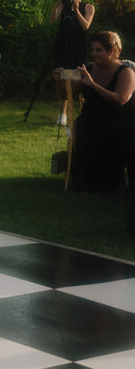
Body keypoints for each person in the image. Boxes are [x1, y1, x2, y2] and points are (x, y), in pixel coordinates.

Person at [72, 31, 135, 232]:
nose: (94, 54)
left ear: (113, 51)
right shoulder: (89, 69)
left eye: (99, 50)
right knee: (84, 129)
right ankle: (85, 184)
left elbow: (120, 99)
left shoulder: (126, 72)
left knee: (110, 134)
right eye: (92, 50)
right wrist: (59, 79)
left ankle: (106, 185)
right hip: (91, 118)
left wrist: (92, 84)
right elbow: (68, 95)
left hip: (117, 119)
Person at [50, 0, 94, 126]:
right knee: (63, 78)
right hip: (64, 46)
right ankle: (63, 114)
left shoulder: (88, 7)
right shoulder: (65, 6)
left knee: (79, 77)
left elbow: (86, 26)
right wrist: (57, 4)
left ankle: (83, 111)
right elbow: (52, 20)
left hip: (78, 48)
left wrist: (76, 10)